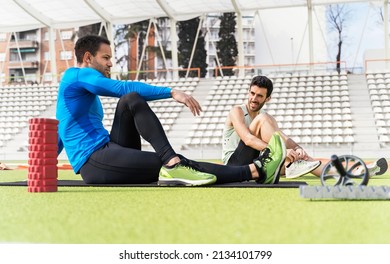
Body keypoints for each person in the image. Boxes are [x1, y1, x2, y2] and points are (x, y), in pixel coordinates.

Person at [56, 35, 286, 186]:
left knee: (130, 100)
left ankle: (172, 162)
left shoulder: (76, 89)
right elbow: (121, 86)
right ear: (87, 58)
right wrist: (172, 92)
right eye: (105, 58)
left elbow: (61, 128)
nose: (110, 63)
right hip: (94, 161)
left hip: (109, 148)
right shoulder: (76, 75)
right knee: (130, 95)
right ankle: (255, 171)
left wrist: (43, 164)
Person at [222, 75, 322, 179]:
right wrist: (282, 152)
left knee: (296, 159)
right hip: (233, 166)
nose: (254, 99)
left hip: (253, 163)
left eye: (260, 96)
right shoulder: (237, 111)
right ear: (248, 92)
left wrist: (297, 148)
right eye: (252, 93)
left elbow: (283, 137)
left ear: (268, 98)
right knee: (263, 118)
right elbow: (248, 139)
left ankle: (328, 172)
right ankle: (290, 164)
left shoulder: (265, 116)